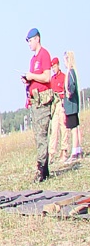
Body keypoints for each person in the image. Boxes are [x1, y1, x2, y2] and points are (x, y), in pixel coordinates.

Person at [23, 28, 63, 183]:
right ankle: (44, 169)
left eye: (30, 40)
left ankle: (41, 170)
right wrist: (29, 80)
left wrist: (32, 76)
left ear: (37, 39)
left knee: (42, 136)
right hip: (35, 101)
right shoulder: (33, 59)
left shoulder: (44, 55)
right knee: (38, 136)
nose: (29, 44)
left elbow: (46, 77)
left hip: (43, 101)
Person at [64, 53, 81, 161]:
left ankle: (74, 151)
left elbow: (72, 87)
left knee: (74, 129)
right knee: (75, 128)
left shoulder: (70, 72)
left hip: (71, 106)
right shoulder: (72, 72)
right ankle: (78, 149)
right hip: (72, 106)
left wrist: (68, 93)